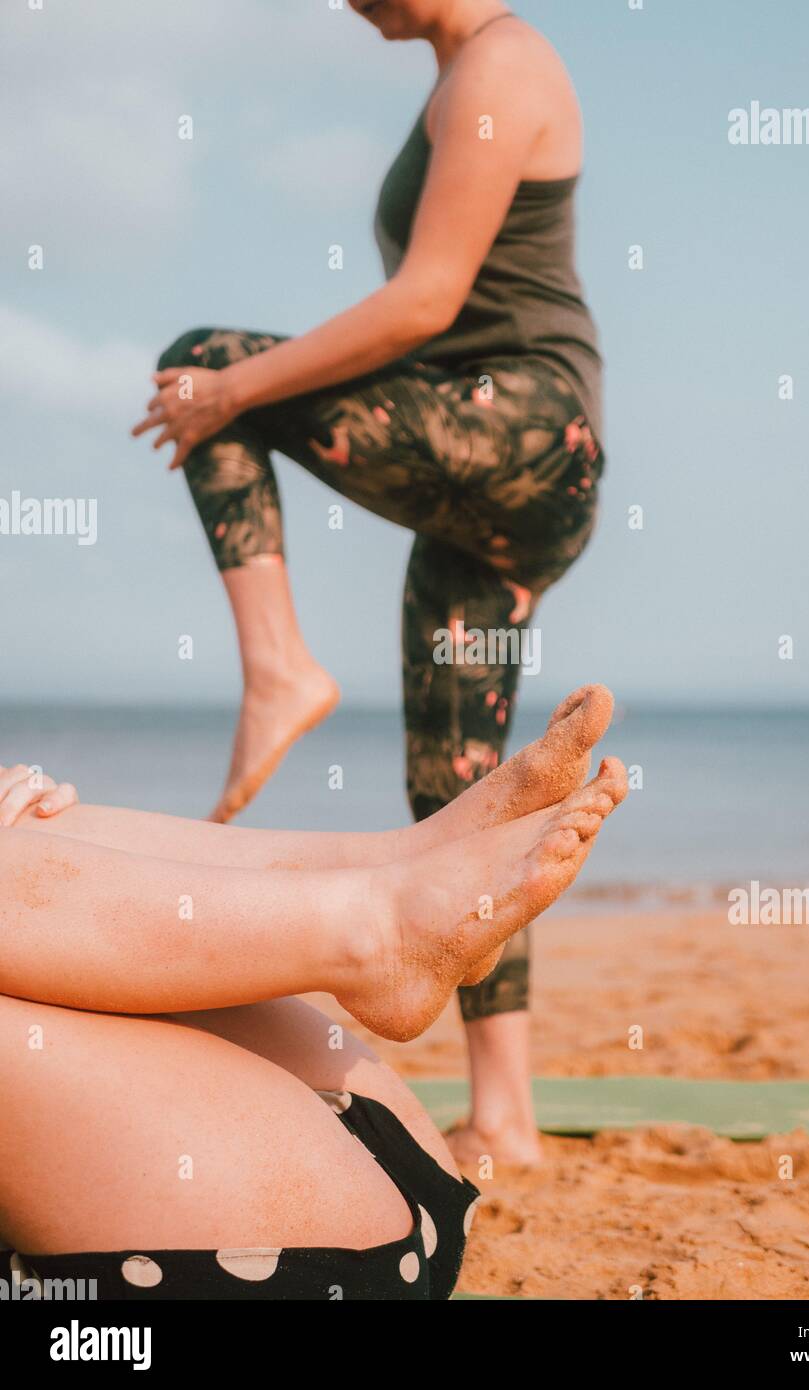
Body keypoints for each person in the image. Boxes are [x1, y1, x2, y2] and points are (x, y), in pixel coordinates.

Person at [133, 0, 605, 1165]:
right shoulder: (456, 76)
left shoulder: (505, 64)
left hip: (527, 434)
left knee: (203, 366)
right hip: (499, 473)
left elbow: (426, 302)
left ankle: (279, 666)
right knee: (463, 791)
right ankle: (508, 1111)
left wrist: (236, 394)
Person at [0, 688, 624, 1299]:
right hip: (311, 1222)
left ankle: (395, 865)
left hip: (260, 1231)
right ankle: (377, 927)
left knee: (28, 820)